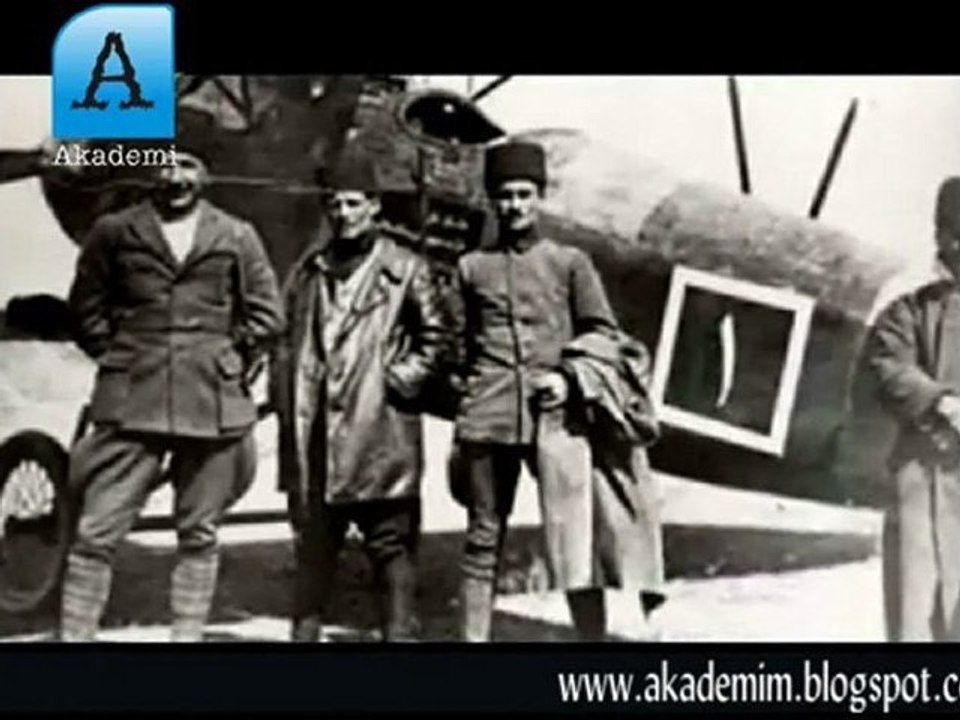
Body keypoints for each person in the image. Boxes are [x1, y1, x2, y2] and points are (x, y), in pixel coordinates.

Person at [60, 151, 284, 641]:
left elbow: (267, 316)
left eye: (188, 165)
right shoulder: (114, 231)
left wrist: (227, 361)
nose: (176, 177)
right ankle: (74, 644)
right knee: (96, 533)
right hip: (133, 398)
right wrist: (119, 356)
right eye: (166, 165)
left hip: (210, 400)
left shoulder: (236, 234)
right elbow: (86, 309)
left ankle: (186, 643)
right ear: (149, 171)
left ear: (206, 174)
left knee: (199, 534)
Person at [449, 140, 664, 641]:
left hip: (557, 421)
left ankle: (590, 644)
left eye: (524, 194)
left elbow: (604, 335)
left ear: (540, 197)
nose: (514, 205)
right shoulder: (471, 268)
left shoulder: (569, 263)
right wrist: (472, 393)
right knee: (482, 537)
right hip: (488, 419)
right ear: (492, 200)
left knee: (575, 538)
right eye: (505, 195)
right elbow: (458, 344)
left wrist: (566, 379)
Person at [271, 155, 447, 642]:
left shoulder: (405, 269)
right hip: (317, 438)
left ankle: (399, 640)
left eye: (353, 204)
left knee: (391, 547)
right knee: (314, 548)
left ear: (375, 206)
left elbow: (438, 338)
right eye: (335, 205)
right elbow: (286, 337)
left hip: (380, 433)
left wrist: (398, 381)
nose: (343, 214)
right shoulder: (311, 270)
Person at [867, 176, 960, 642]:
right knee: (915, 610)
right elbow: (886, 365)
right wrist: (941, 401)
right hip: (919, 479)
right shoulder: (909, 310)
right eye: (951, 232)